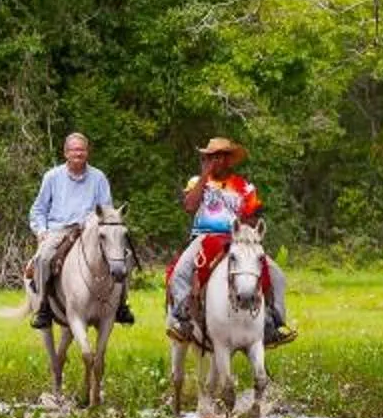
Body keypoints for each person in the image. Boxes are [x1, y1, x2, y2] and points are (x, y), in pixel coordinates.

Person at [164, 138, 293, 345]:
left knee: (276, 274)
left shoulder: (244, 186)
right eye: (212, 156)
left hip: (236, 238)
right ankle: (183, 320)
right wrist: (204, 176)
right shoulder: (197, 181)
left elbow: (253, 216)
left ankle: (273, 322)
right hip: (204, 236)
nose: (216, 160)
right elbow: (189, 206)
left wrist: (245, 224)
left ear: (229, 160)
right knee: (179, 273)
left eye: (221, 156)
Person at [23, 133, 133, 328]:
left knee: (125, 256)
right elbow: (38, 209)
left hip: (90, 230)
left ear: (87, 152)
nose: (78, 153)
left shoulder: (98, 177)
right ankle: (43, 308)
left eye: (82, 149)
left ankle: (122, 305)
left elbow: (106, 209)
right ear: (66, 153)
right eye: (74, 150)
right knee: (43, 258)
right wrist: (41, 231)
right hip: (59, 229)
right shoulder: (52, 177)